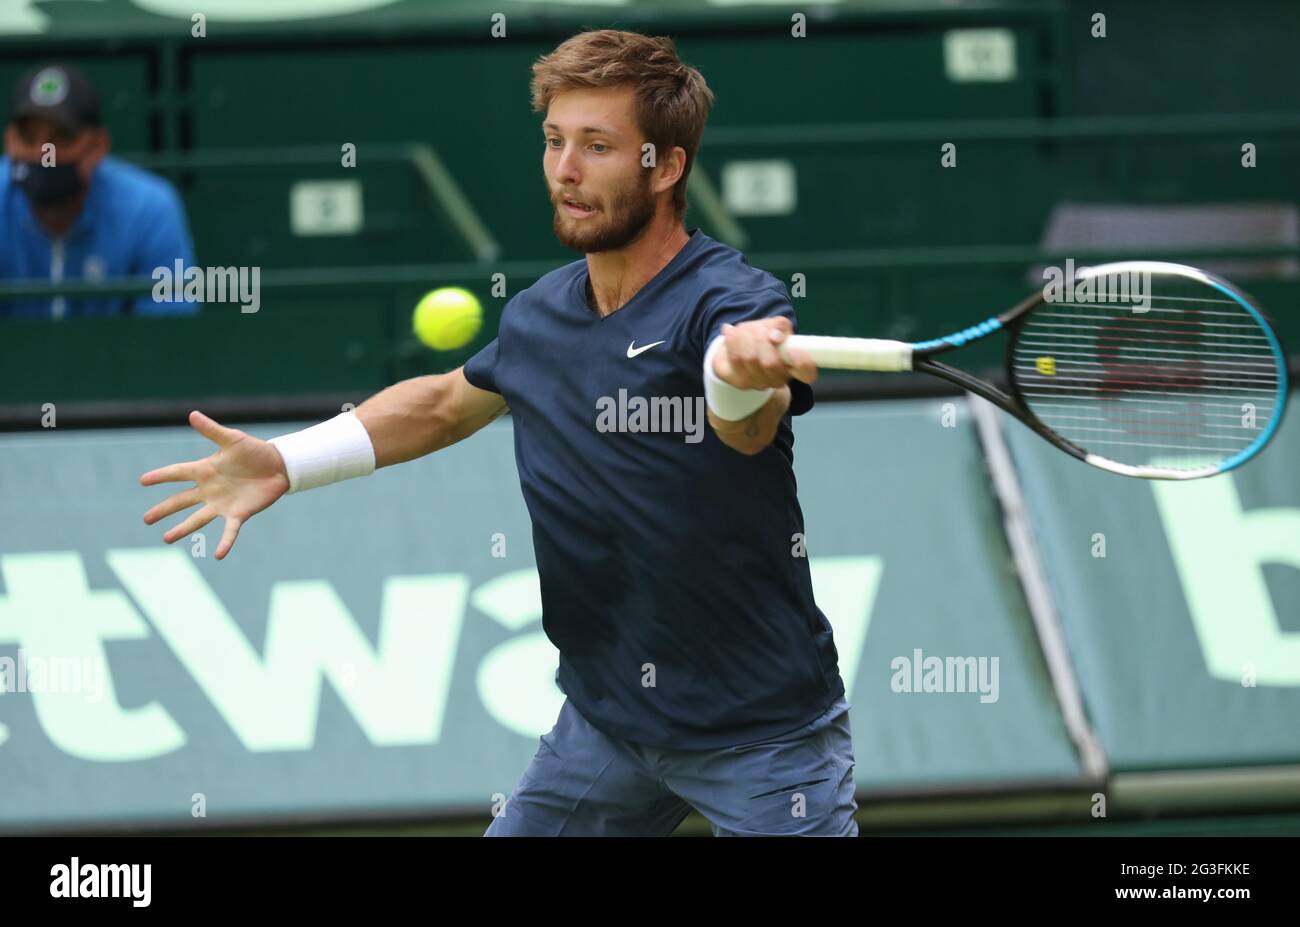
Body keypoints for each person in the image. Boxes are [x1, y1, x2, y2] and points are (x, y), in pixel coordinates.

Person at [139, 29, 858, 837]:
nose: (565, 170)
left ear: (667, 166)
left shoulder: (726, 296)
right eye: (554, 141)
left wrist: (737, 372)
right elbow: (447, 402)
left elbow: (752, 426)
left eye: (597, 146)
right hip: (607, 725)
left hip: (762, 740)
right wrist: (286, 460)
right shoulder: (541, 316)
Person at [0, 62, 197, 319]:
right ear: (9, 140)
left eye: (60, 138)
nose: (42, 153)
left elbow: (169, 335)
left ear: (97, 147)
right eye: (27, 138)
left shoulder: (148, 209)